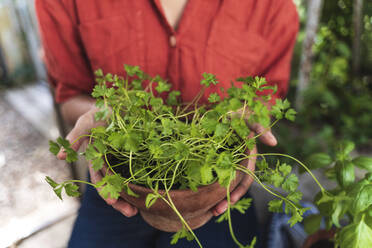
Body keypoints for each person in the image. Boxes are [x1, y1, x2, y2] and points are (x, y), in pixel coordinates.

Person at [36, 0, 298, 247]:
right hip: (120, 176)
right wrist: (102, 115)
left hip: (218, 182)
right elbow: (70, 96)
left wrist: (247, 121)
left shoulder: (272, 6)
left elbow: (267, 98)